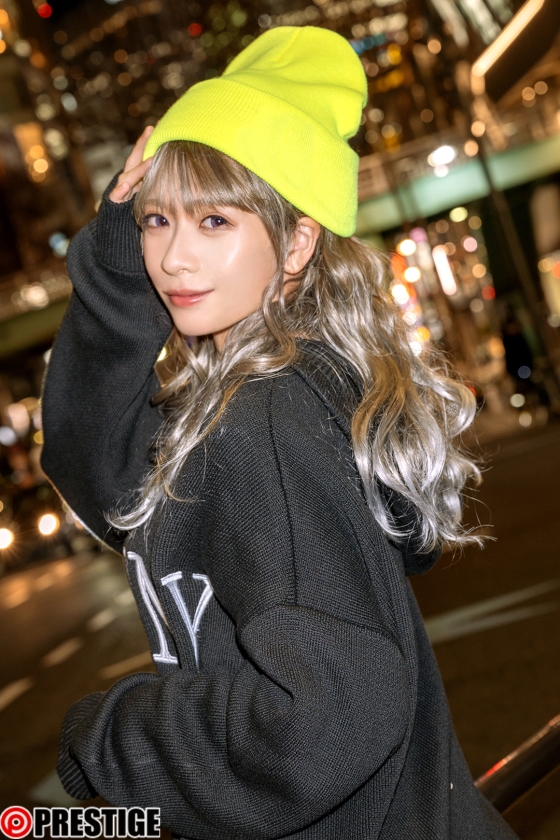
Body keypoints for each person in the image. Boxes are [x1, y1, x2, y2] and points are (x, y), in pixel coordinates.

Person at [41, 26, 518, 840]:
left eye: (214, 221)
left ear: (296, 241)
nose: (174, 258)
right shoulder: (264, 397)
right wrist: (115, 264)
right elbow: (101, 469)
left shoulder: (262, 421)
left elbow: (329, 712)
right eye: (156, 220)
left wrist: (115, 735)